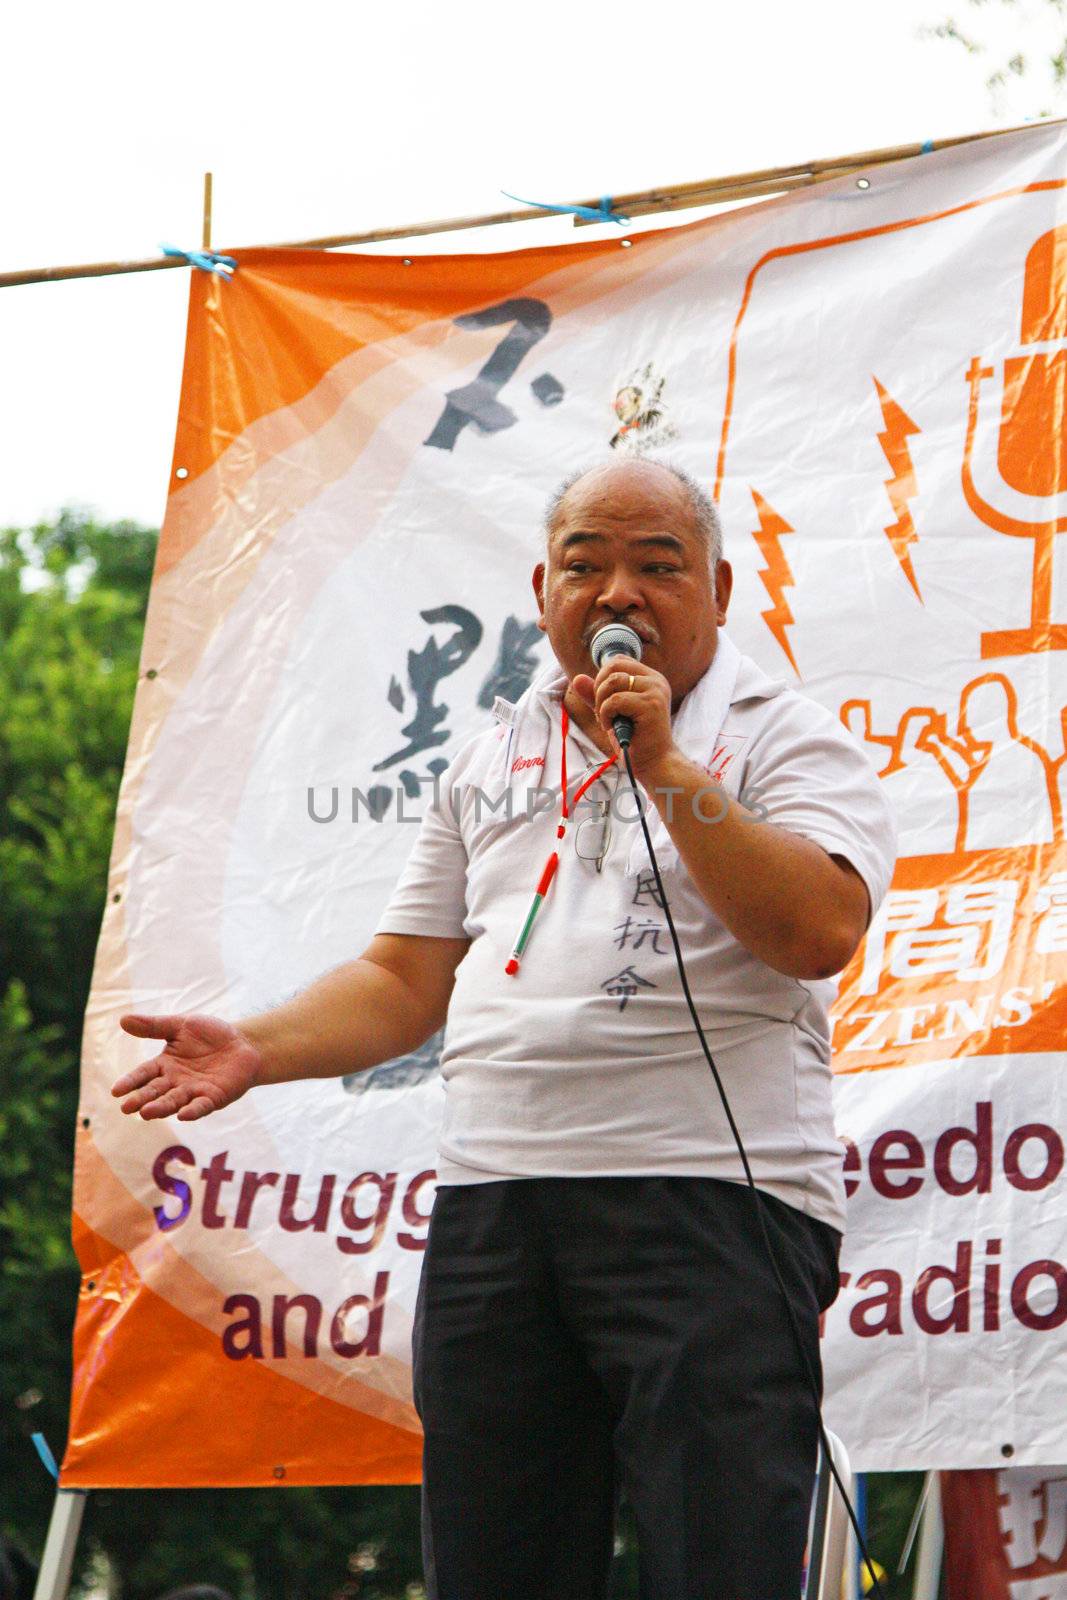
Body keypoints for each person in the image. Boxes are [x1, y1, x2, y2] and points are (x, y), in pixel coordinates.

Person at [113, 457, 896, 1600]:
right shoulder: (489, 755)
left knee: (716, 1557)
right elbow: (402, 979)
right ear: (542, 591)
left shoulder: (786, 738)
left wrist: (669, 767)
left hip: (712, 1208)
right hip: (497, 1209)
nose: (616, 593)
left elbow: (817, 928)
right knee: (494, 1566)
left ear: (719, 591)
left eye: (655, 567)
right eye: (584, 566)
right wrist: (255, 1047)